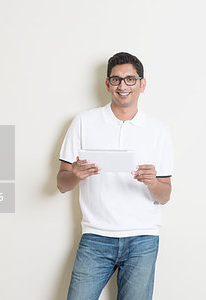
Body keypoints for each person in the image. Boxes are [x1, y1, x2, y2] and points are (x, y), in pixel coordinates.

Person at [57, 52, 173, 300]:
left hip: (143, 239)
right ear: (107, 84)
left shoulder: (158, 130)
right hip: (96, 237)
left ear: (142, 84)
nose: (123, 86)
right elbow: (61, 183)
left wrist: (153, 182)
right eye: (116, 79)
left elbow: (165, 196)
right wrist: (75, 174)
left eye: (130, 79)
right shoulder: (84, 122)